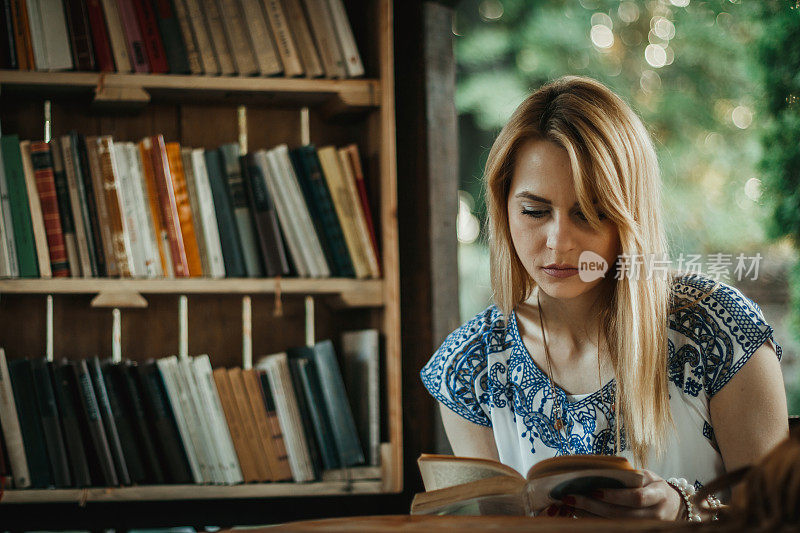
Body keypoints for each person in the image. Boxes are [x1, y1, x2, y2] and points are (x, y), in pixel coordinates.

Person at [420, 76, 788, 521]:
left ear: (629, 216)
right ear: (503, 208)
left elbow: (778, 518)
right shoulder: (470, 362)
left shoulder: (718, 326)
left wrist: (684, 511)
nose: (558, 242)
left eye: (589, 213)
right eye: (534, 211)